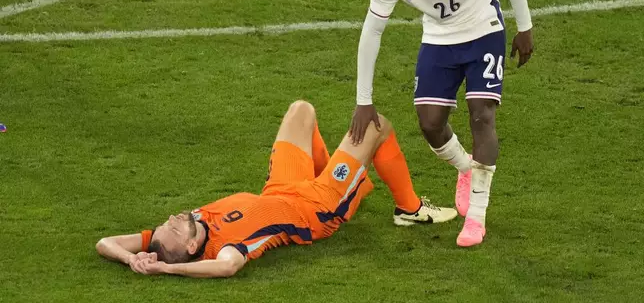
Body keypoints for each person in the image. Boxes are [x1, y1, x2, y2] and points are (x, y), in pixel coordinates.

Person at [96, 100, 457, 278]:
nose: (175, 216)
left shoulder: (187, 229)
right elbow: (227, 269)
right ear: (192, 247)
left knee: (301, 110)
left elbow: (104, 243)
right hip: (315, 208)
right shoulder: (225, 248)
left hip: (280, 188)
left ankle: (345, 176)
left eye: (167, 221)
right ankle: (408, 209)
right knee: (375, 124)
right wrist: (166, 271)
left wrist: (132, 258)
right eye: (175, 228)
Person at [349, 0, 534, 247]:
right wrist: (364, 101)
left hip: (483, 31)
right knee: (431, 124)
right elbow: (371, 31)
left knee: (482, 115)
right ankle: (466, 169)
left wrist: (525, 27)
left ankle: (476, 219)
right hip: (439, 39)